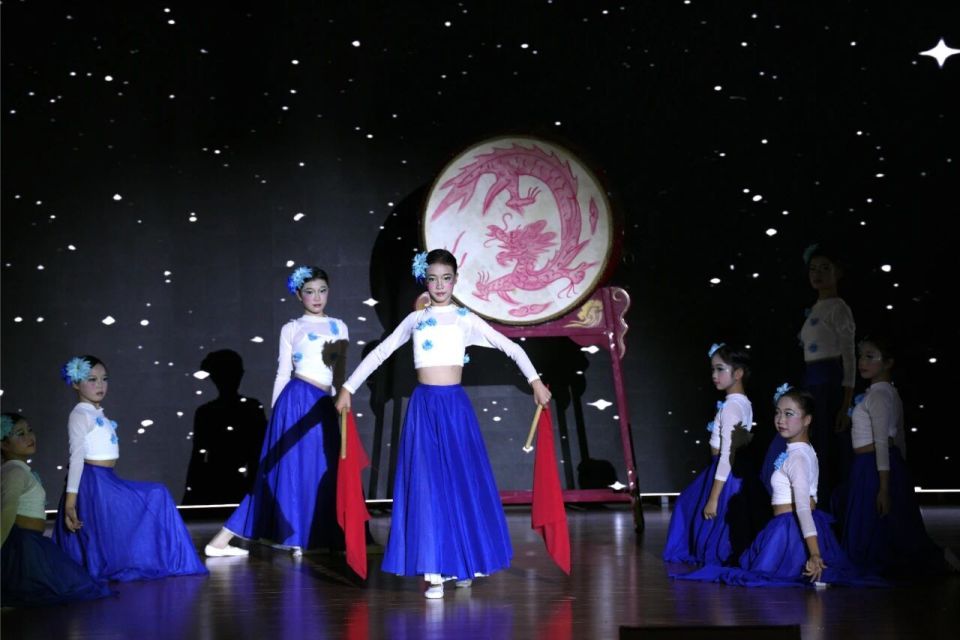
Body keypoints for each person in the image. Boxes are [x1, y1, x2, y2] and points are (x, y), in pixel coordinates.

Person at [335, 249, 551, 598]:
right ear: (425, 280)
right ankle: (434, 572)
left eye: (446, 278)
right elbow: (380, 353)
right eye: (433, 278)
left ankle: (464, 563)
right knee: (428, 484)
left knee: (460, 482)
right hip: (424, 408)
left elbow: (510, 347)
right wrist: (348, 387)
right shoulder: (415, 320)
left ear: (455, 280)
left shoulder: (465, 319)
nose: (439, 285)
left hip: (454, 409)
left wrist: (535, 382)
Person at [676, 386, 884, 587]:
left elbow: (803, 508)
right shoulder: (797, 451)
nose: (780, 419)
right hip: (784, 526)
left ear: (807, 420)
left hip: (790, 531)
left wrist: (814, 554)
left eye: (789, 414)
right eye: (778, 412)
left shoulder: (798, 457)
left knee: (761, 577)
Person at [206, 266, 349, 556]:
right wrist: (276, 418)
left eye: (322, 290)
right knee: (282, 472)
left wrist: (339, 404)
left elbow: (339, 373)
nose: (317, 297)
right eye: (309, 291)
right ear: (299, 295)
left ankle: (304, 537)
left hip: (323, 405)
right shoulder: (292, 328)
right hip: (296, 402)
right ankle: (222, 539)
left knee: (322, 469)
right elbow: (283, 373)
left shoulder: (339, 326)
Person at [52, 356, 208, 581]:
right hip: (94, 483)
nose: (100, 385)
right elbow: (76, 458)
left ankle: (163, 559)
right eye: (92, 379)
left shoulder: (96, 412)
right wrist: (70, 502)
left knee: (155, 495)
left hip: (107, 479)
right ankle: (164, 559)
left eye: (104, 379)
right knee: (156, 494)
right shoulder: (80, 415)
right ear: (76, 383)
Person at [837, 336, 956, 576]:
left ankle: (935, 559)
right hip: (876, 464)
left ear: (888, 362)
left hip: (873, 467)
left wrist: (884, 487)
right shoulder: (884, 393)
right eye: (861, 356)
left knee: (877, 528)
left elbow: (884, 441)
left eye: (870, 356)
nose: (862, 362)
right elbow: (897, 438)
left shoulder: (880, 395)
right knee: (885, 526)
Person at [762, 244, 855, 508]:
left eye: (825, 268)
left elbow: (849, 356)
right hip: (811, 382)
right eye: (813, 269)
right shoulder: (815, 307)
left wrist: (846, 404)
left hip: (828, 383)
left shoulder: (839, 308)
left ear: (838, 272)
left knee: (822, 447)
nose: (818, 274)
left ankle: (820, 508)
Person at [2, 412, 112, 606]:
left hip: (30, 543)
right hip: (24, 546)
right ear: (3, 444)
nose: (29, 436)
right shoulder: (15, 472)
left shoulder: (17, 470)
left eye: (29, 430)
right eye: (20, 434)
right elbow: (6, 512)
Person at [663, 343, 756, 565]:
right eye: (713, 369)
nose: (714, 375)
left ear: (738, 373)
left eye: (720, 369)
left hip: (723, 470)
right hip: (722, 469)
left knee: (698, 511)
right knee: (689, 504)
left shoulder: (732, 407)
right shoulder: (739, 403)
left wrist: (713, 498)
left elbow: (727, 455)